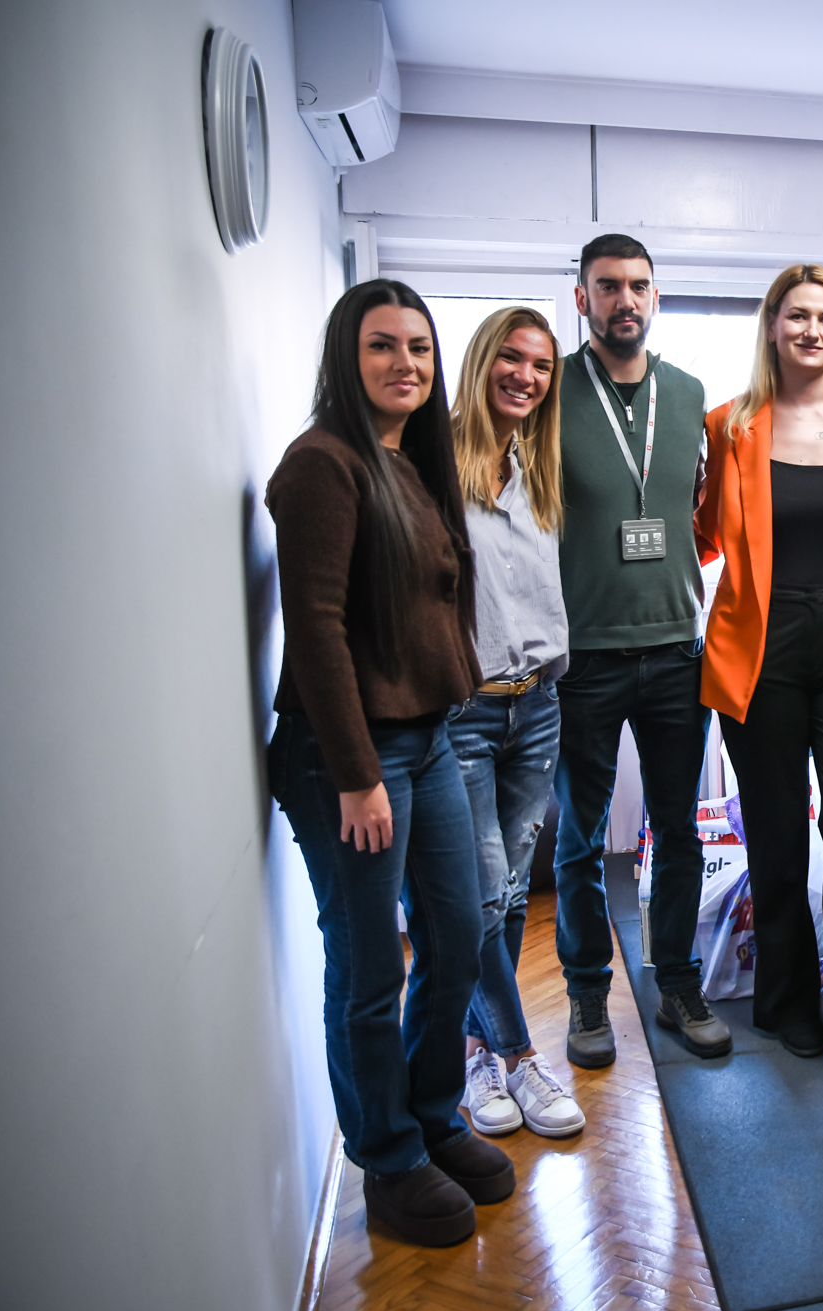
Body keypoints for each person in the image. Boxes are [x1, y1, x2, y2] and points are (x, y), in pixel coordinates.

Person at [266, 279, 515, 1246]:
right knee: (370, 965)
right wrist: (356, 773)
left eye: (418, 346)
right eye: (382, 345)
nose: (404, 362)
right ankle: (388, 1156)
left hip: (427, 738)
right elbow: (316, 629)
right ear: (347, 355)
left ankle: (433, 1114)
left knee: (458, 935)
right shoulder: (321, 466)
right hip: (350, 758)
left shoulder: (407, 461)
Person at [696, 264, 823, 1079]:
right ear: (773, 326)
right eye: (798, 316)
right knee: (777, 838)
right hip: (759, 662)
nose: (814, 330)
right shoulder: (728, 425)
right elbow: (697, 536)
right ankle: (787, 1000)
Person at [552, 234, 729, 1066]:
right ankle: (587, 992)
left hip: (676, 651)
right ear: (581, 297)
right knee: (582, 839)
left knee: (678, 830)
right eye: (608, 285)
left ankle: (678, 983)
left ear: (655, 296)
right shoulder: (549, 389)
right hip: (583, 654)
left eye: (639, 285)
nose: (625, 299)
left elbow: (704, 508)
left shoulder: (688, 393)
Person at [442, 307, 587, 1138]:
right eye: (512, 357)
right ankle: (522, 1056)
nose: (526, 376)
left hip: (536, 707)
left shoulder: (536, 463)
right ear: (482, 358)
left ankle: (475, 1055)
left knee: (499, 899)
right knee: (480, 902)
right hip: (463, 712)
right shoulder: (433, 461)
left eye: (540, 365)